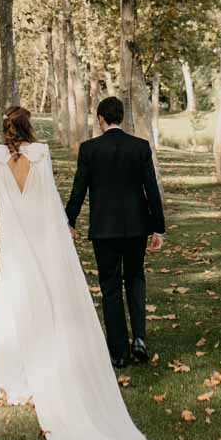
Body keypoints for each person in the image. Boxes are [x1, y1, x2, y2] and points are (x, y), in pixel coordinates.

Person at [0, 106, 161, 440]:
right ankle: (134, 339)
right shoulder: (42, 153)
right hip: (47, 238)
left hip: (16, 240)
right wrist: (62, 230)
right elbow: (50, 200)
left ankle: (18, 377)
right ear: (30, 127)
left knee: (17, 299)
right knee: (129, 282)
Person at [64, 96, 166, 367]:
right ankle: (140, 340)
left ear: (100, 119)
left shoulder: (89, 149)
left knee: (110, 287)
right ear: (121, 117)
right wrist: (158, 228)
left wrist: (69, 220)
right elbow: (152, 190)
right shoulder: (140, 147)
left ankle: (119, 352)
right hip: (136, 228)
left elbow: (79, 190)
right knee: (135, 280)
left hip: (104, 229)